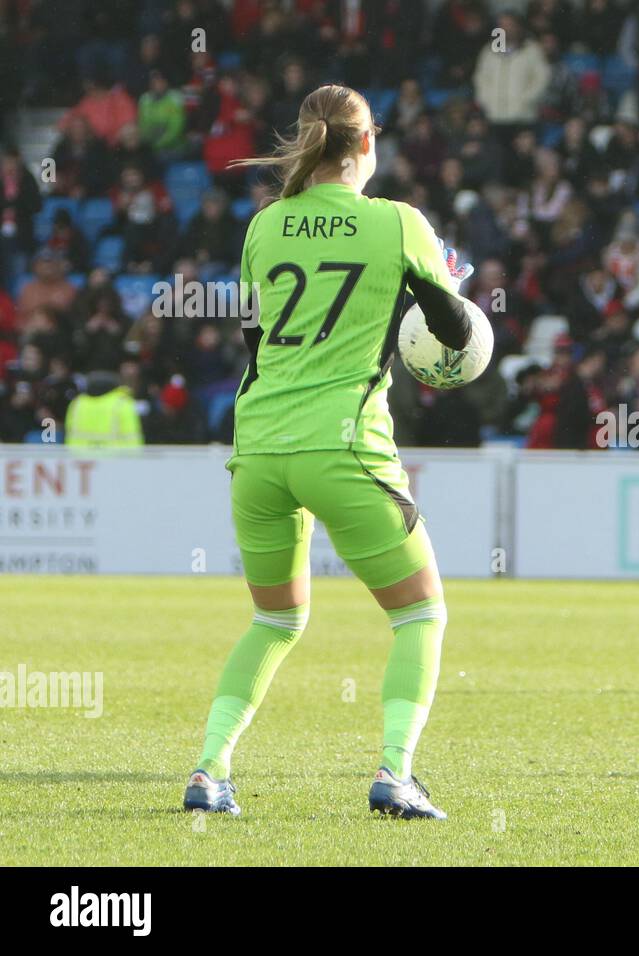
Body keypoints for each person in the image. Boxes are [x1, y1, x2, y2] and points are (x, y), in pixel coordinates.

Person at [184, 85, 477, 820]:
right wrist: (443, 287)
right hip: (344, 446)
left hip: (257, 448)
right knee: (421, 616)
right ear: (368, 145)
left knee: (275, 622)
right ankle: (394, 774)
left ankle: (209, 771)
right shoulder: (398, 223)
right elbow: (456, 333)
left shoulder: (266, 225)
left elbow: (255, 340)